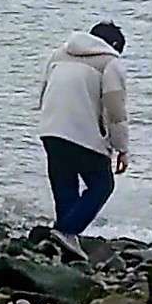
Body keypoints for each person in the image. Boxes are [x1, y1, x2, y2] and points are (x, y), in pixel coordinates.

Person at [36, 21, 132, 236]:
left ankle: (62, 244)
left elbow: (43, 93)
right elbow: (115, 111)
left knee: (65, 189)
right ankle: (63, 234)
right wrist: (122, 149)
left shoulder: (58, 54)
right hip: (82, 135)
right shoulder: (110, 62)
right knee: (102, 185)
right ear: (114, 45)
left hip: (51, 130)